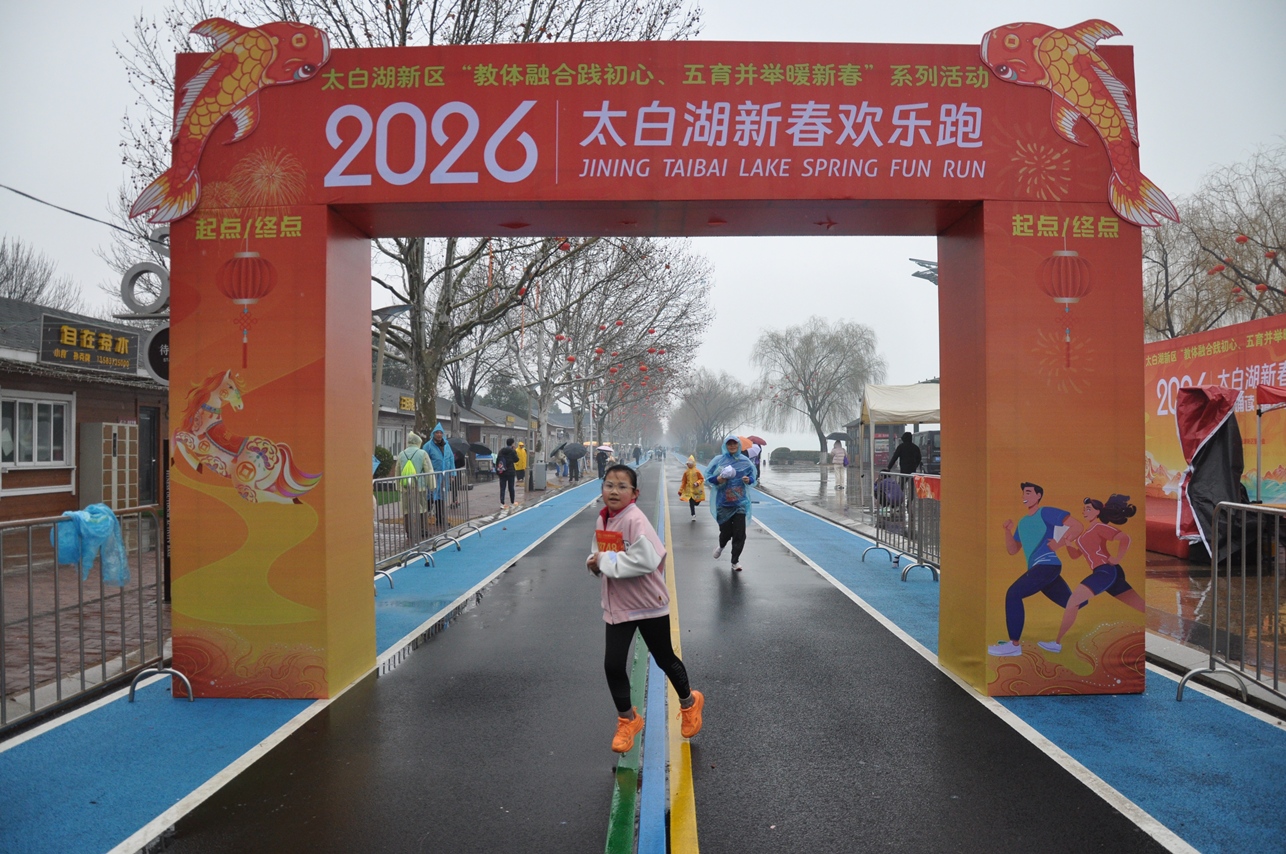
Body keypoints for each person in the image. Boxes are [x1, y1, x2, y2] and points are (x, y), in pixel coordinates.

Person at [587, 464, 704, 753]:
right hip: (618, 605)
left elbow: (648, 560)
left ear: (635, 493)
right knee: (613, 665)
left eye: (622, 486)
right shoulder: (603, 519)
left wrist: (604, 562)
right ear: (602, 489)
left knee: (664, 659)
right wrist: (595, 563)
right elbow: (600, 554)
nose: (614, 491)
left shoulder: (635, 520)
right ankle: (628, 721)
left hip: (648, 604)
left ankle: (689, 703)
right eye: (609, 485)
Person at [1039, 495, 1146, 654]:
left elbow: (1124, 538)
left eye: (1089, 509)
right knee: (1140, 606)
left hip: (1105, 571)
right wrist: (1068, 544)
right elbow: (1075, 556)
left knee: (1073, 601)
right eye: (1084, 509)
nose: (1085, 512)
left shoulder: (1099, 527)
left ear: (1098, 512)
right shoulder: (1083, 536)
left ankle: (1057, 643)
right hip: (1104, 573)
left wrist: (1117, 558)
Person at [990, 482, 1084, 657]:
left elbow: (1077, 526)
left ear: (1038, 495)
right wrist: (1007, 531)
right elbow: (1013, 550)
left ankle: (1014, 645)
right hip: (1041, 568)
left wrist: (1059, 543)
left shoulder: (1045, 512)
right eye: (1023, 493)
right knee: (1073, 603)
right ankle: (1095, 592)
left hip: (1047, 565)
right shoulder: (1023, 522)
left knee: (1013, 593)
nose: (1024, 497)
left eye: (1028, 492)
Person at [705, 434, 756, 571]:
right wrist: (718, 479)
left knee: (740, 534)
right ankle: (721, 546)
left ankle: (735, 561)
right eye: (729, 444)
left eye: (734, 444)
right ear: (725, 446)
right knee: (726, 532)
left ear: (738, 445)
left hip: (740, 503)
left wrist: (749, 480)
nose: (732, 446)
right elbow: (708, 477)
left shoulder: (745, 461)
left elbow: (753, 476)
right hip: (724, 503)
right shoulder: (719, 460)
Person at [395, 432, 430, 541]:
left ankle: (409, 531)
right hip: (420, 485)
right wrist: (431, 484)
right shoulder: (422, 453)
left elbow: (397, 470)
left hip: (405, 485)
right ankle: (423, 529)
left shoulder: (401, 454)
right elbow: (428, 469)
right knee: (422, 507)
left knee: (406, 509)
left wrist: (398, 485)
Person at [424, 423, 454, 529]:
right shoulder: (428, 446)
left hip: (444, 477)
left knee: (441, 498)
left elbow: (451, 459)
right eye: (437, 432)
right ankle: (422, 518)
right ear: (433, 434)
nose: (439, 434)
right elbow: (424, 461)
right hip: (433, 476)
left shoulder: (447, 445)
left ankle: (441, 519)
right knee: (431, 497)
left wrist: (452, 474)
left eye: (441, 432)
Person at [678, 455, 706, 520]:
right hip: (689, 491)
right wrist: (680, 490)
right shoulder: (686, 472)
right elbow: (684, 482)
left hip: (697, 490)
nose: (690, 465)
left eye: (691, 463)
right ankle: (693, 514)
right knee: (691, 502)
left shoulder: (697, 471)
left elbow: (701, 478)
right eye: (688, 463)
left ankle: (696, 503)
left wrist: (697, 483)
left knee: (697, 502)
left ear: (693, 464)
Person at [496, 438, 520, 515]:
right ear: (512, 443)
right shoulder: (512, 451)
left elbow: (497, 461)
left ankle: (502, 503)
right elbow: (516, 460)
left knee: (502, 488)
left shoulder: (501, 451)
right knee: (511, 488)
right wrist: (515, 451)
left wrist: (498, 471)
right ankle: (512, 502)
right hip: (510, 472)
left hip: (502, 472)